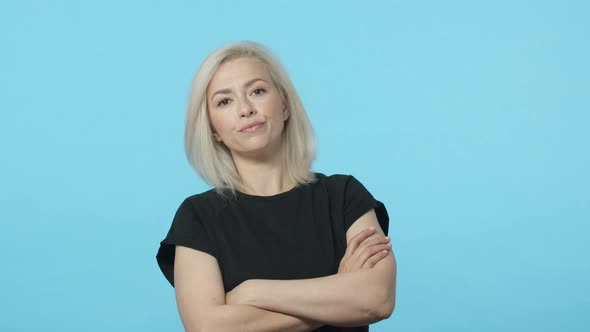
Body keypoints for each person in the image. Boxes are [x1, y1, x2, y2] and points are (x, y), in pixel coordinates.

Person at [156, 41, 397, 332]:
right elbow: (209, 328)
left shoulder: (344, 196)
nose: (245, 109)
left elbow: (377, 299)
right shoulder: (198, 217)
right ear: (212, 130)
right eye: (225, 101)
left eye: (257, 91)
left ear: (284, 105)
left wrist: (252, 292)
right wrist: (337, 295)